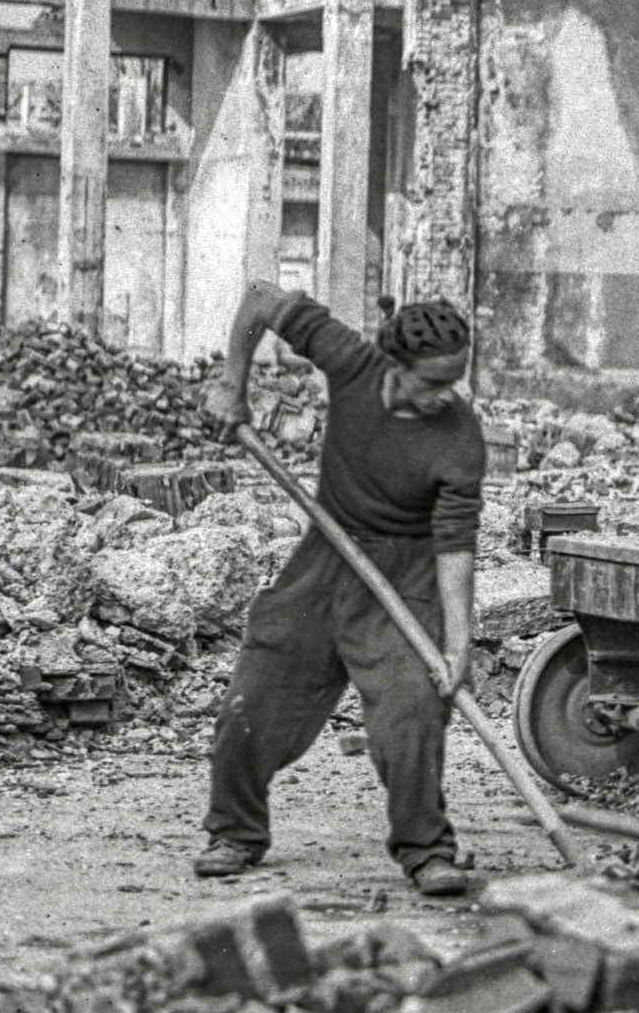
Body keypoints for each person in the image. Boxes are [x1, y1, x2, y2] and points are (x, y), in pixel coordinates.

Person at [195, 284, 485, 897]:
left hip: (405, 578)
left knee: (412, 712)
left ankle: (426, 850)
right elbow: (256, 301)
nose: (445, 398)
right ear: (395, 366)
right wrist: (231, 385)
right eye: (431, 383)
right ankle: (235, 833)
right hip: (325, 560)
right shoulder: (353, 362)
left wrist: (458, 642)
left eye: (454, 383)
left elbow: (456, 545)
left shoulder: (460, 438)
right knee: (255, 698)